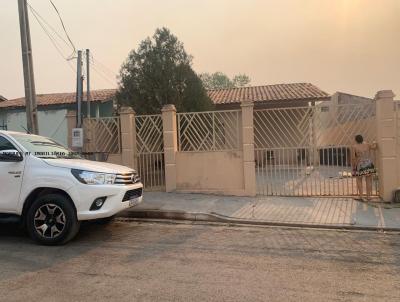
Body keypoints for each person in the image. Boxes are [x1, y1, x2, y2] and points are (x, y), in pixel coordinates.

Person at [351, 134, 377, 201]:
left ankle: (361, 196)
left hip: (360, 164)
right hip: (368, 164)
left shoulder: (354, 147)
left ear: (356, 140)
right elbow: (374, 147)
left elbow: (353, 158)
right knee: (368, 181)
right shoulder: (367, 144)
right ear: (362, 139)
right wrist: (374, 142)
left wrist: (354, 167)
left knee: (359, 180)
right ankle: (368, 196)